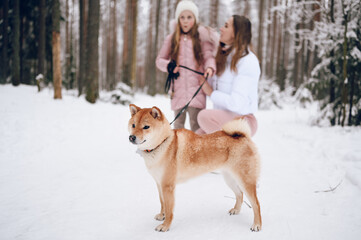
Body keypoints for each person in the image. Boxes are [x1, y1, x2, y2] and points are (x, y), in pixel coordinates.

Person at [156, 0, 218, 131]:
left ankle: (199, 152)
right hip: (177, 91)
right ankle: (179, 152)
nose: (185, 21)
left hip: (197, 90)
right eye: (182, 17)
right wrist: (169, 66)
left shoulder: (202, 37)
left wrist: (210, 67)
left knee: (197, 128)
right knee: (178, 128)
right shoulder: (171, 38)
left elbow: (208, 56)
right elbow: (160, 60)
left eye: (189, 17)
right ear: (178, 19)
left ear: (195, 19)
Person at [196, 15, 260, 137]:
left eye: (226, 26)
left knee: (204, 117)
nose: (221, 29)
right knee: (194, 141)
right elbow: (207, 83)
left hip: (244, 121)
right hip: (223, 120)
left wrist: (211, 93)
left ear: (236, 33)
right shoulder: (225, 58)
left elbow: (237, 103)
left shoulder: (248, 61)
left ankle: (234, 150)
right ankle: (226, 151)